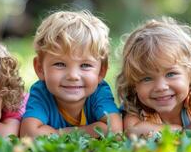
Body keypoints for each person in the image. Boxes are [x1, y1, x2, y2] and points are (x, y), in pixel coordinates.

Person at [20, 10, 122, 138]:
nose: (73, 76)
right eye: (60, 64)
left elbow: (115, 130)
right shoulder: (41, 92)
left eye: (85, 65)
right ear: (40, 69)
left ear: (101, 71)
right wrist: (91, 131)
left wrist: (57, 133)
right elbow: (28, 133)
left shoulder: (99, 92)